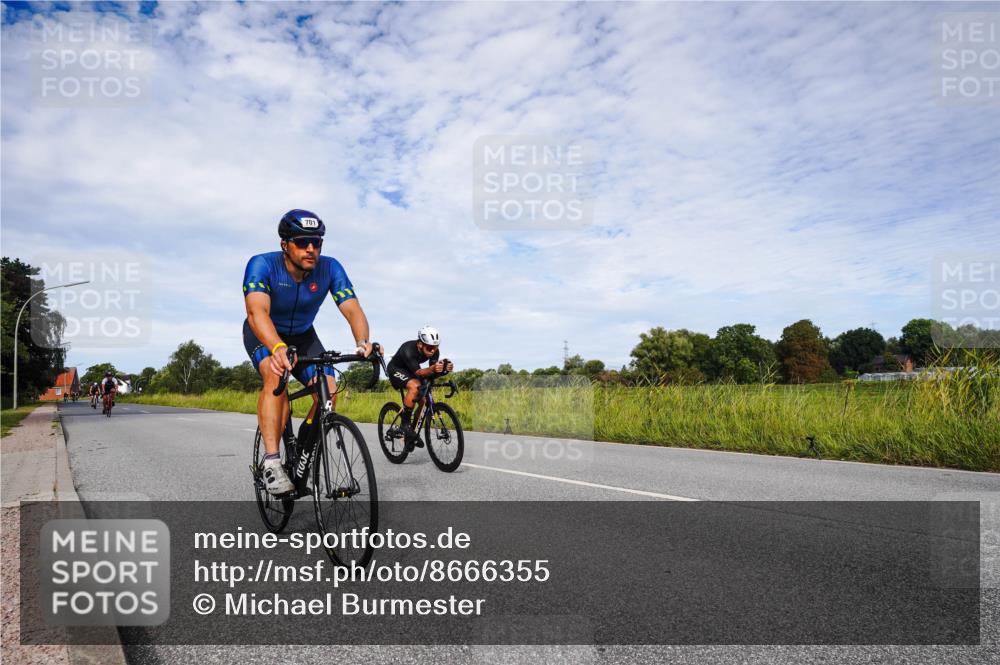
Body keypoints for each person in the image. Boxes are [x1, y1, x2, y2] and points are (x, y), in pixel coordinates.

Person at [243, 209, 375, 495]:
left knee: (329, 389)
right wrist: (276, 347)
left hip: (303, 336)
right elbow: (257, 312)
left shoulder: (330, 268)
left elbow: (352, 308)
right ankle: (272, 462)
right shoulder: (261, 265)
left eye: (317, 242)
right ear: (285, 245)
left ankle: (305, 449)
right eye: (303, 242)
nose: (311, 249)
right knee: (274, 375)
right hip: (264, 331)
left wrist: (363, 342)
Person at [386, 326, 454, 451]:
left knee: (423, 402)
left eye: (436, 347)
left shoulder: (434, 351)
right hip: (395, 369)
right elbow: (419, 373)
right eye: (429, 347)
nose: (433, 351)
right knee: (415, 386)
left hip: (412, 371)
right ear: (420, 344)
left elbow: (431, 373)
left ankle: (410, 433)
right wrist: (433, 369)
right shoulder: (408, 349)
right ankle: (405, 425)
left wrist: (443, 370)